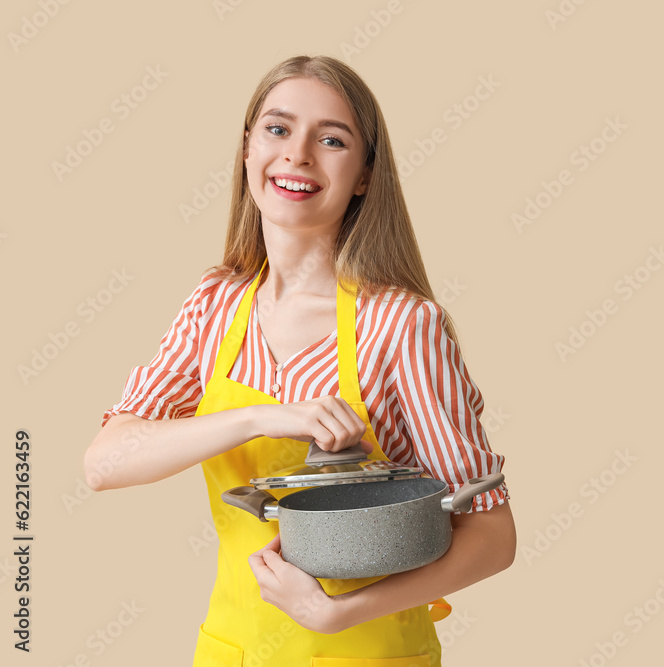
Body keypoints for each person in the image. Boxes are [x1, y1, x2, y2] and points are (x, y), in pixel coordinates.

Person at [84, 54, 515, 666]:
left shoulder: (399, 325)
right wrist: (260, 419)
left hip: (365, 654)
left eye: (331, 139)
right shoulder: (215, 304)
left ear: (365, 175)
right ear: (246, 149)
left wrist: (336, 613)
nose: (298, 155)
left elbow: (493, 538)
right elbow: (104, 464)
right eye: (278, 129)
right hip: (232, 650)